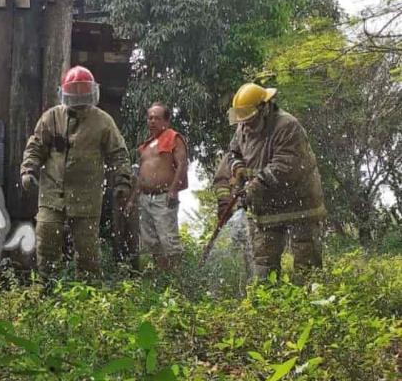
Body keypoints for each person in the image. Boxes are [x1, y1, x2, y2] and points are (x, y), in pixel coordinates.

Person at [20, 66, 132, 277]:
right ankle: (46, 291)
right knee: (46, 246)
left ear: (92, 92)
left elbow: (119, 154)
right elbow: (35, 146)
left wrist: (123, 181)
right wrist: (29, 170)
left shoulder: (103, 122)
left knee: (88, 254)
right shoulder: (51, 117)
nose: (79, 96)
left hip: (86, 198)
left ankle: (87, 298)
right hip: (52, 194)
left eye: (83, 91)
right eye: (75, 91)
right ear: (65, 93)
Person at [213, 83, 327, 280]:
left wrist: (252, 189)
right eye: (243, 120)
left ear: (264, 108)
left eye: (250, 119)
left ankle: (310, 304)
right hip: (266, 205)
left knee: (307, 264)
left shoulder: (287, 126)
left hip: (300, 203)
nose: (246, 124)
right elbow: (233, 152)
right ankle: (269, 305)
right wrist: (238, 167)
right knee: (264, 264)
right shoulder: (243, 126)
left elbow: (283, 167)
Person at [125, 103, 188, 271]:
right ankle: (161, 278)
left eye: (157, 118)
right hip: (145, 198)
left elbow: (182, 164)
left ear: (165, 122)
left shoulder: (173, 137)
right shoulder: (146, 146)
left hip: (163, 196)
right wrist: (132, 200)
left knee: (169, 241)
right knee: (151, 241)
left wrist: (173, 190)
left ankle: (177, 281)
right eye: (150, 118)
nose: (152, 121)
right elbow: (141, 176)